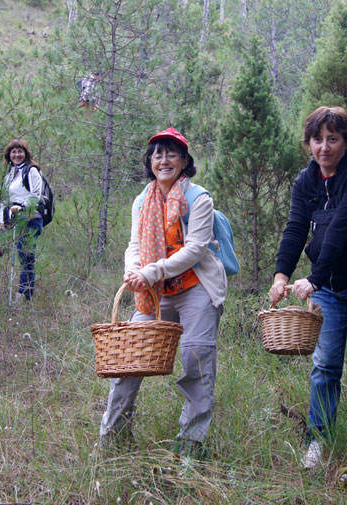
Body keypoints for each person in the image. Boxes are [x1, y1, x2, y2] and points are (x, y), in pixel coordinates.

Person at [268, 106, 347, 470]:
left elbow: (339, 229)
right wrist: (282, 275)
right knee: (325, 363)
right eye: (317, 139)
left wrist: (312, 279)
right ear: (308, 143)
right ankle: (318, 441)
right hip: (328, 285)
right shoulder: (306, 181)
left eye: (333, 139)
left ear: (346, 141)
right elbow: (296, 229)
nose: (324, 147)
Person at [99, 127, 227, 457]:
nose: (164, 160)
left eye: (172, 153)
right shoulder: (143, 200)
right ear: (150, 162)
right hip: (154, 294)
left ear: (185, 161)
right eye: (158, 154)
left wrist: (151, 270)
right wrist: (132, 270)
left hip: (196, 287)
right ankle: (112, 441)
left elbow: (196, 249)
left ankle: (190, 447)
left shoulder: (199, 199)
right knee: (127, 362)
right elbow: (135, 245)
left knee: (195, 361)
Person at [0, 139, 44, 301]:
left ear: (26, 154)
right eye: (13, 152)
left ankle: (23, 296)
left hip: (29, 219)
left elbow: (36, 195)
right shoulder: (9, 174)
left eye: (20, 151)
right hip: (10, 220)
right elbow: (3, 200)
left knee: (26, 257)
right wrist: (0, 219)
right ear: (8, 154)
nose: (17, 155)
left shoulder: (31, 171)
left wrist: (21, 207)